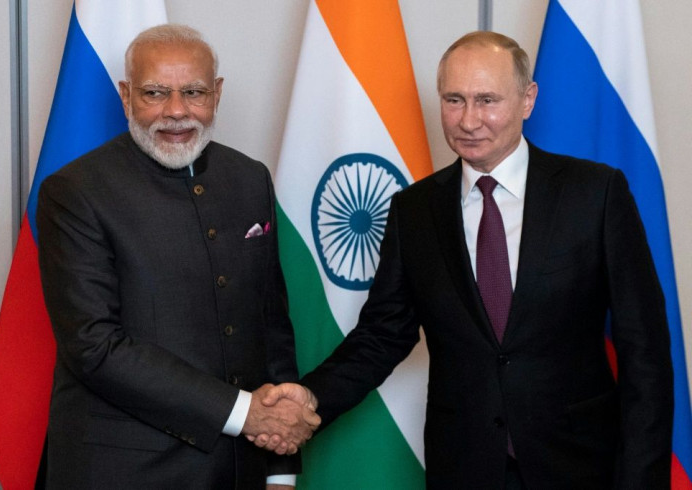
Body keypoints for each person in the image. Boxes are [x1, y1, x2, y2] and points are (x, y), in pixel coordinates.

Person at [259, 31, 674, 488]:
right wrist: (311, 397)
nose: (469, 120)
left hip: (580, 467)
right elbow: (382, 334)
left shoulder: (595, 194)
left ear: (527, 99)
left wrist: (642, 478)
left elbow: (646, 353)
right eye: (454, 100)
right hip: (464, 468)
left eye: (487, 100)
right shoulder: (413, 211)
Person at [37, 24, 318, 489]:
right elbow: (94, 346)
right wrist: (246, 413)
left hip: (240, 468)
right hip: (122, 473)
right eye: (154, 93)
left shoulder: (249, 178)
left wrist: (280, 467)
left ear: (217, 93)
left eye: (193, 92)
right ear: (126, 95)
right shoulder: (75, 192)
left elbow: (269, 325)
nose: (176, 111)